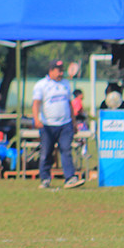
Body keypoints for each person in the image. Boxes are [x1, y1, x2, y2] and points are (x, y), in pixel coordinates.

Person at [32, 59, 84, 189]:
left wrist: (74, 122)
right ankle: (45, 178)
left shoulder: (65, 84)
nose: (61, 73)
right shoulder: (41, 85)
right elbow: (36, 103)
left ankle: (70, 178)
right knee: (47, 152)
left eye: (62, 70)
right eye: (58, 70)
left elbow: (70, 105)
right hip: (48, 124)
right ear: (51, 70)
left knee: (66, 150)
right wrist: (36, 119)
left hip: (65, 124)